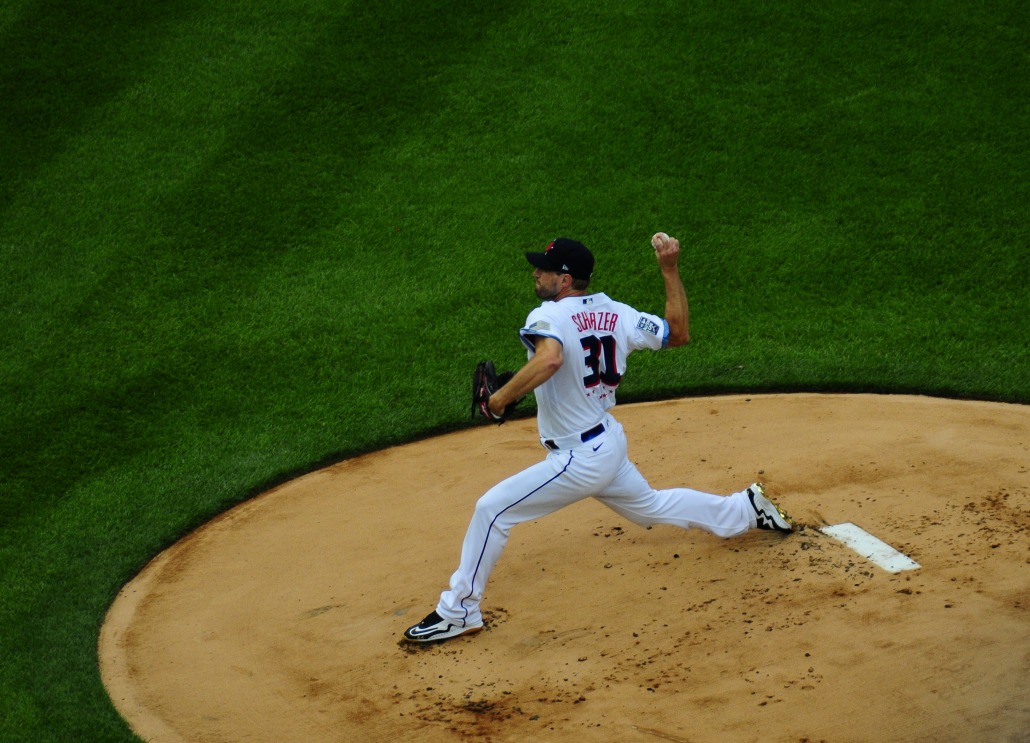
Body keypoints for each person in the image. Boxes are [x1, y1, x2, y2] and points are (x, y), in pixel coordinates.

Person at [403, 233, 793, 644]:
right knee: (650, 506)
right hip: (606, 442)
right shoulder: (618, 313)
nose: (537, 273)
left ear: (566, 280)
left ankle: (459, 610)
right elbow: (677, 333)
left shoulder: (548, 315)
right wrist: (670, 270)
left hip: (579, 458)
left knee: (492, 510)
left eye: (545, 269)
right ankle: (746, 510)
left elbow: (550, 357)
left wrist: (499, 400)